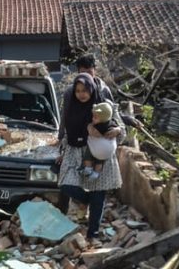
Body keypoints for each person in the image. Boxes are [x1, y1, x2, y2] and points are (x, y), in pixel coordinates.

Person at [57, 74, 124, 245]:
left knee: (98, 192)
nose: (81, 94)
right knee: (66, 184)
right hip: (74, 151)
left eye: (85, 90)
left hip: (98, 154)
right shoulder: (71, 106)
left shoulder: (105, 105)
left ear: (92, 89)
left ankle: (92, 234)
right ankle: (85, 201)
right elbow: (67, 131)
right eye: (78, 91)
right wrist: (62, 150)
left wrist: (116, 131)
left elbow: (121, 128)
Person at [80, 102, 118, 180]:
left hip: (98, 149)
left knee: (89, 151)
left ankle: (88, 168)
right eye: (93, 116)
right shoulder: (113, 123)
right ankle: (96, 173)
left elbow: (93, 133)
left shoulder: (98, 126)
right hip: (109, 151)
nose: (92, 119)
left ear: (103, 118)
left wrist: (89, 126)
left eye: (95, 117)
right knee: (100, 159)